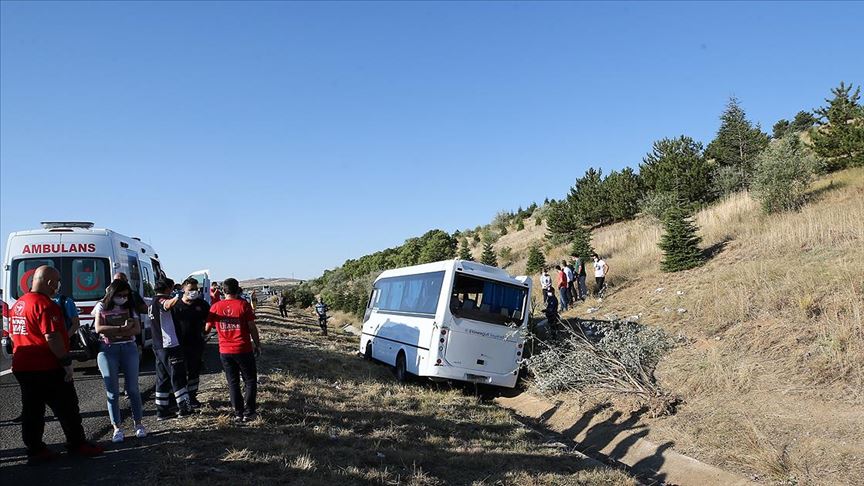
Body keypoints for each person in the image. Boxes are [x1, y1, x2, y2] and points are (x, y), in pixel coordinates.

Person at [11, 265, 104, 463]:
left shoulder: (19, 303)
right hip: (46, 366)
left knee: (32, 410)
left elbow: (14, 334)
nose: (58, 286)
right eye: (58, 282)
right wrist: (65, 361)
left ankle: (35, 448)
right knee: (67, 407)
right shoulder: (45, 305)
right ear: (50, 282)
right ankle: (77, 443)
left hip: (23, 366)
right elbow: (52, 336)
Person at [94, 279, 146, 442]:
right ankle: (117, 428)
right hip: (108, 350)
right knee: (112, 392)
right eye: (120, 295)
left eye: (126, 295)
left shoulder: (130, 308)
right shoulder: (101, 306)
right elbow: (99, 328)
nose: (123, 298)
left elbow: (136, 330)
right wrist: (123, 329)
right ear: (112, 294)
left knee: (132, 389)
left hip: (129, 348)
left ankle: (139, 424)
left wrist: (116, 332)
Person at [206, 278, 261, 423]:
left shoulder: (215, 307)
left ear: (223, 290)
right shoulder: (243, 305)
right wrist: (258, 344)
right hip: (243, 349)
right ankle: (249, 412)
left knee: (233, 382)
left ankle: (238, 413)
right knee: (249, 381)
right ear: (238, 290)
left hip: (225, 350)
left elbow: (207, 328)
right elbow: (251, 327)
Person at [149, 278, 193, 420]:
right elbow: (167, 305)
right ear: (168, 288)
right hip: (169, 346)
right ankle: (184, 408)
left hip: (158, 346)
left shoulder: (151, 302)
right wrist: (178, 296)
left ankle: (162, 411)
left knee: (162, 378)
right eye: (172, 288)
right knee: (178, 376)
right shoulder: (161, 301)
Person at [173, 277, 211, 408]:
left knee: (194, 371)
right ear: (183, 289)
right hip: (178, 345)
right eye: (191, 289)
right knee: (180, 372)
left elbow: (210, 320)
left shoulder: (202, 304)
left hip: (196, 344)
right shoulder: (176, 305)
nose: (194, 291)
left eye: (196, 289)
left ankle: (192, 396)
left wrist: (205, 332)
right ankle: (181, 400)